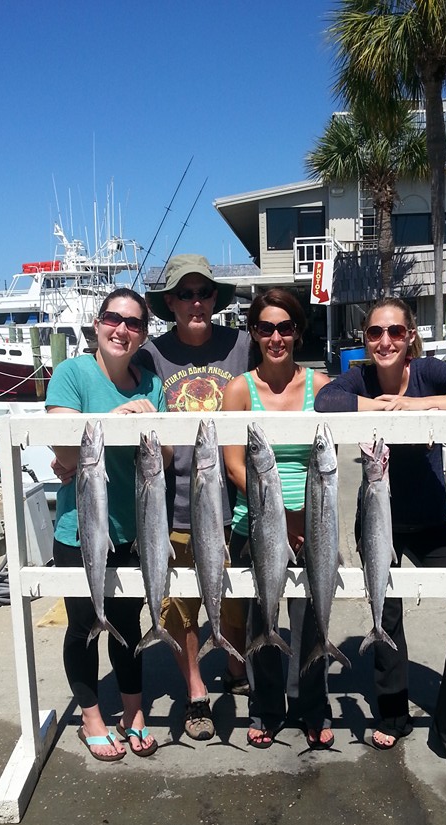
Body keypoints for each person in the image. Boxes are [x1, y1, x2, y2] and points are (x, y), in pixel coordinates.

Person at [314, 296, 446, 752]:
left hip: (429, 521)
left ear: (410, 337)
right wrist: (382, 408)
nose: (385, 341)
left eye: (395, 332)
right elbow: (327, 401)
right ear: (365, 339)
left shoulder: (429, 373)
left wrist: (423, 406)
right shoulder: (359, 377)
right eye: (375, 332)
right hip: (376, 521)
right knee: (386, 617)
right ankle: (393, 714)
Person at [46, 288, 168, 761]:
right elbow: (64, 449)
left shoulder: (151, 384)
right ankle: (91, 718)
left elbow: (166, 455)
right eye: (113, 319)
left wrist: (150, 422)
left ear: (143, 335)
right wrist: (114, 420)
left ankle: (132, 713)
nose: (122, 329)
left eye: (134, 323)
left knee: (128, 623)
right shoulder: (72, 373)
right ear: (97, 324)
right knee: (82, 625)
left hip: (135, 531)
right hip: (79, 530)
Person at [135, 254, 251, 740]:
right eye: (185, 294)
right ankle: (197, 692)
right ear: (170, 302)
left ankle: (237, 665)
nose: (196, 302)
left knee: (236, 601)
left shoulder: (243, 345)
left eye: (204, 292)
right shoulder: (151, 355)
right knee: (181, 608)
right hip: (173, 506)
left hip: (236, 504)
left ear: (215, 299)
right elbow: (121, 396)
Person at [221, 288, 333, 748]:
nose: (276, 337)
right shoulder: (238, 390)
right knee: (261, 618)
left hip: (314, 522)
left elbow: (329, 459)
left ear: (298, 332)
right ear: (253, 332)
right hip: (255, 520)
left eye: (285, 327)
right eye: (266, 328)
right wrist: (283, 518)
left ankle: (313, 706)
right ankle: (266, 707)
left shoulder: (321, 386)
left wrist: (304, 519)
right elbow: (234, 465)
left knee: (313, 618)